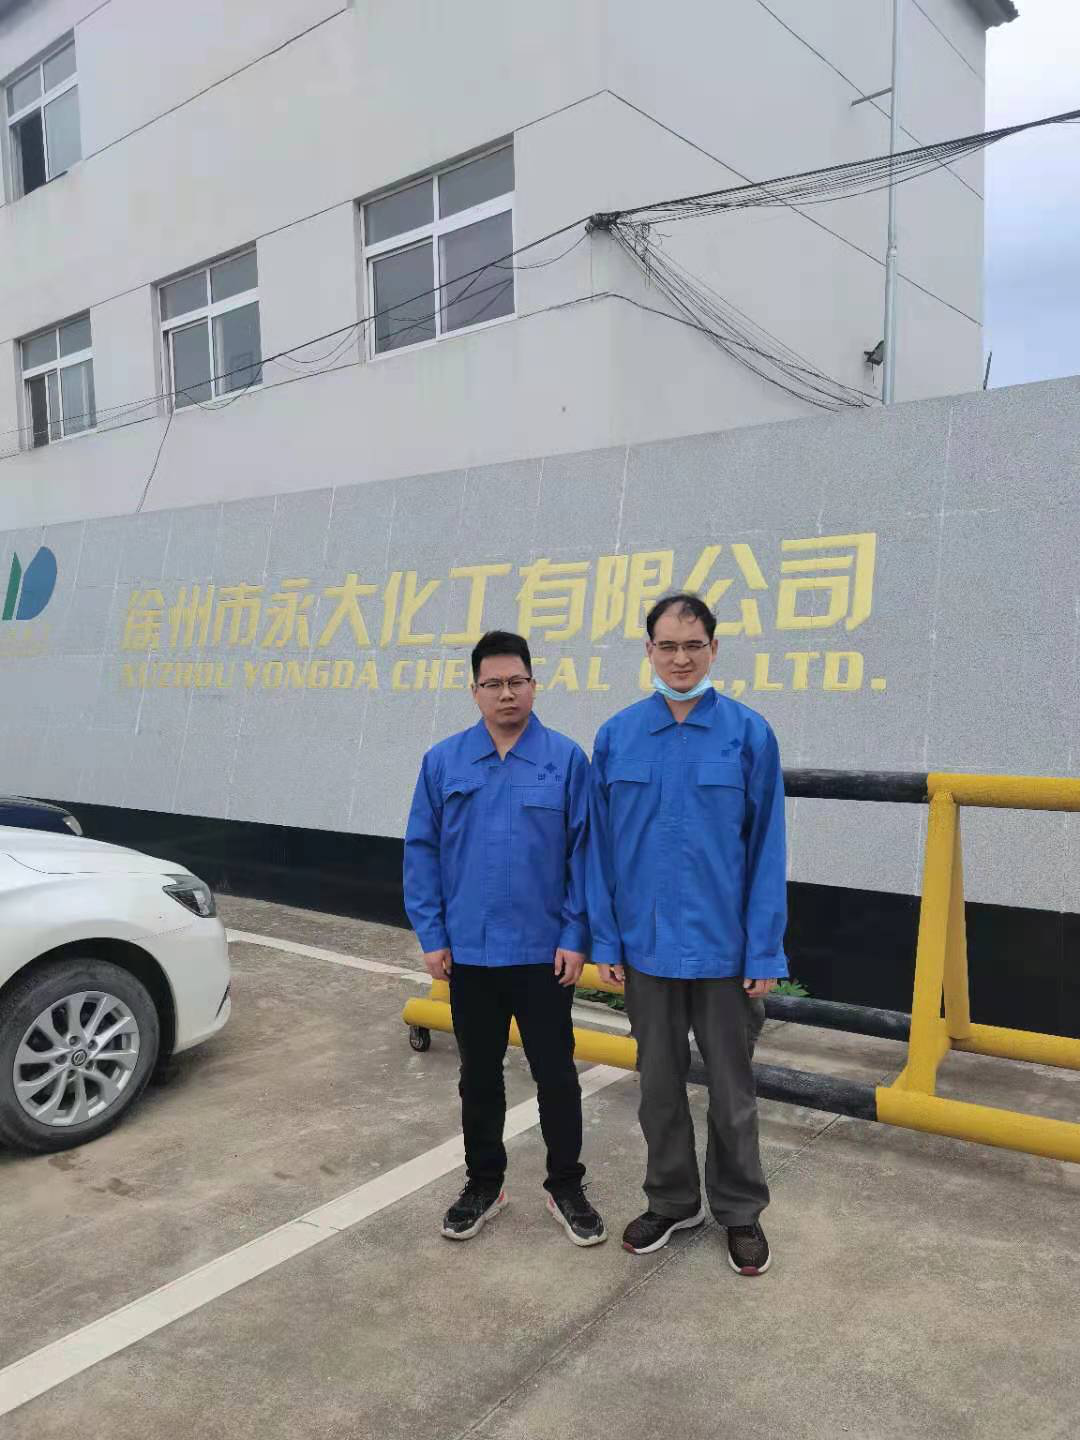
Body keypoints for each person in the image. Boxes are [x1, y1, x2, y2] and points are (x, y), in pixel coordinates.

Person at [587, 593, 787, 1276]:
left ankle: (740, 1210)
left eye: (693, 645)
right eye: (667, 646)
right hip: (645, 948)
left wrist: (763, 947)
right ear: (649, 651)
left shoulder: (747, 735)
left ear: (713, 650)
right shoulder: (618, 736)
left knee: (732, 1092)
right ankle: (672, 1201)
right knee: (658, 1088)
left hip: (724, 950)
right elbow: (599, 851)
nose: (680, 659)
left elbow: (767, 848)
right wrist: (606, 941)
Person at [404, 630, 606, 1247]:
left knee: (556, 1075)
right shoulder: (444, 761)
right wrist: (432, 933)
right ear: (475, 691)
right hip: (469, 952)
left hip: (543, 953)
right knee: (479, 1076)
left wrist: (576, 933)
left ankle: (565, 1185)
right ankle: (484, 1184)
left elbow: (585, 854)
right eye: (492, 684)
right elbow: (422, 851)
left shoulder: (565, 760)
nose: (506, 693)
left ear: (534, 684)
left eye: (517, 681)